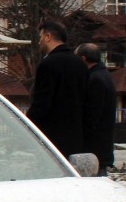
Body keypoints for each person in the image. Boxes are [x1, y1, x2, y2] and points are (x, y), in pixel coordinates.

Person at [27, 19, 87, 158]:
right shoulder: (80, 63)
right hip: (76, 136)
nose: (39, 42)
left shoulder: (48, 64)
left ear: (48, 37)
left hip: (52, 138)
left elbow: (42, 103)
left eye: (41, 37)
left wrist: (27, 125)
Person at [77, 42, 116, 175]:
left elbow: (92, 116)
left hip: (95, 149)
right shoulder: (103, 75)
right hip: (101, 148)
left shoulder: (95, 80)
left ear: (83, 59)